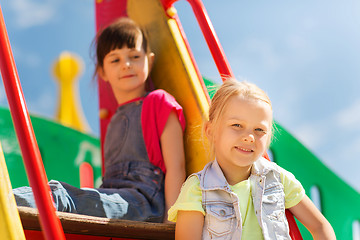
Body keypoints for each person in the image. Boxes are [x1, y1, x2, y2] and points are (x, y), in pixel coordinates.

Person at [13, 17, 186, 223]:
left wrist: (171, 223)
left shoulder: (158, 101)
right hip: (117, 198)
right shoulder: (114, 121)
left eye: (135, 56)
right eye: (115, 60)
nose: (126, 65)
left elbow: (177, 166)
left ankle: (6, 201)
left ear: (149, 60)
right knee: (62, 195)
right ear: (102, 71)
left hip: (143, 203)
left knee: (59, 196)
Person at [168, 79, 336, 239]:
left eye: (259, 130)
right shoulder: (198, 189)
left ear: (269, 138)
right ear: (210, 131)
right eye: (237, 125)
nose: (249, 137)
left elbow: (320, 227)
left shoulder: (278, 179)